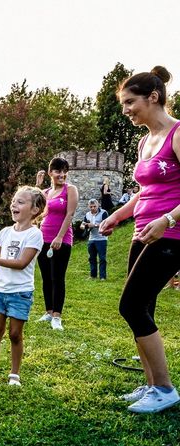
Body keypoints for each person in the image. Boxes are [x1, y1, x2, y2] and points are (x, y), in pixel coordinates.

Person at [99, 66, 180, 414]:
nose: (126, 110)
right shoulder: (144, 140)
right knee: (142, 307)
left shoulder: (177, 133)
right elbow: (145, 191)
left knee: (131, 306)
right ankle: (150, 384)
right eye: (123, 105)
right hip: (143, 229)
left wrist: (167, 219)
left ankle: (164, 388)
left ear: (153, 97)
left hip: (172, 232)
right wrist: (119, 215)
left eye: (130, 102)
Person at [0, 186, 46, 389]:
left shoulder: (35, 235)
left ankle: (14, 373)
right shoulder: (5, 232)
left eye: (21, 202)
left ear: (35, 210)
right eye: (14, 200)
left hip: (20, 292)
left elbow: (21, 263)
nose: (14, 204)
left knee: (15, 334)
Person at [35, 157, 79, 330]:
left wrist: (59, 237)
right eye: (58, 171)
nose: (62, 175)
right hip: (43, 238)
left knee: (57, 277)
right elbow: (35, 210)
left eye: (64, 171)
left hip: (62, 239)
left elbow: (70, 214)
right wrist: (37, 186)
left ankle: (57, 317)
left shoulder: (70, 190)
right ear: (50, 173)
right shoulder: (45, 193)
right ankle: (48, 311)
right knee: (46, 277)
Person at [80, 199, 109, 280]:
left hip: (102, 239)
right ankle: (93, 276)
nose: (93, 208)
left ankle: (102, 277)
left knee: (102, 258)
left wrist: (94, 225)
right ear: (88, 206)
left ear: (98, 205)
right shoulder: (87, 214)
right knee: (92, 258)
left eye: (94, 206)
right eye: (91, 207)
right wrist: (82, 225)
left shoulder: (104, 212)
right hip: (91, 239)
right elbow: (84, 222)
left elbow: (105, 224)